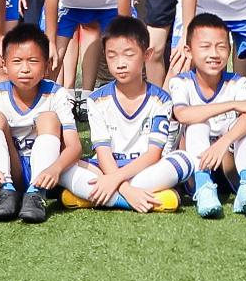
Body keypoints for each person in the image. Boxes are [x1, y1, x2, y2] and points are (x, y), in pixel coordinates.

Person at [63, 29, 188, 213]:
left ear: (147, 55)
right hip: (106, 168)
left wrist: (114, 181)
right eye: (112, 56)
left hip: (144, 169)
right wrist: (126, 189)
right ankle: (143, 199)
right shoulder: (96, 99)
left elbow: (154, 155)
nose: (120, 64)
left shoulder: (161, 99)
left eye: (129, 55)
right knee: (64, 166)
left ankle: (93, 197)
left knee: (184, 160)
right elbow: (103, 152)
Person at [166, 13, 246, 218]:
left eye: (221, 47)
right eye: (205, 47)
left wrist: (223, 143)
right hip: (195, 168)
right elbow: (183, 114)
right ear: (188, 51)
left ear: (230, 50)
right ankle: (204, 190)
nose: (214, 54)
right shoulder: (181, 82)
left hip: (229, 164)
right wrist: (232, 104)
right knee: (197, 126)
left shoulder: (238, 81)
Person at [0, 22, 75, 224]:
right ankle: (5, 192)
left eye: (33, 61)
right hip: (9, 169)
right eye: (17, 61)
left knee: (48, 118)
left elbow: (74, 146)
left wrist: (55, 169)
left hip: (46, 173)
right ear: (4, 65)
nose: (25, 69)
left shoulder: (57, 93)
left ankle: (36, 195)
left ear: (47, 65)